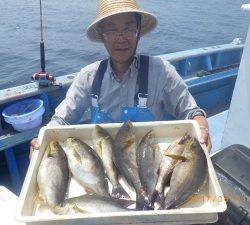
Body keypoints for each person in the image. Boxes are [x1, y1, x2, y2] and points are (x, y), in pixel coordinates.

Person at [30, 0, 211, 157]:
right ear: (102, 36)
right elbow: (61, 121)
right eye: (111, 30)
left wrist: (202, 129)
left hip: (147, 159)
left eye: (129, 28)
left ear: (139, 32)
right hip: (103, 162)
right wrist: (42, 140)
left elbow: (191, 112)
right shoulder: (87, 77)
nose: (121, 38)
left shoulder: (162, 71)